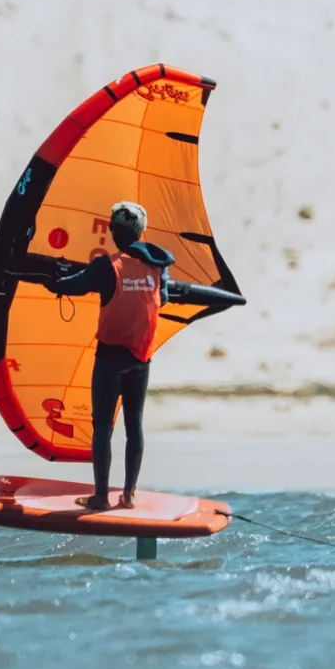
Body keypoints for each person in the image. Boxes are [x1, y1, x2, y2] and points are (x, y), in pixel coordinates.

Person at [41, 201, 245, 510]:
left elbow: (70, 286)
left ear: (112, 231)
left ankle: (100, 498)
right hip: (140, 360)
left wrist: (53, 278)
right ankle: (129, 495)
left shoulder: (106, 266)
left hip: (110, 359)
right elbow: (161, 297)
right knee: (134, 424)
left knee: (103, 428)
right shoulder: (158, 265)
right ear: (142, 231)